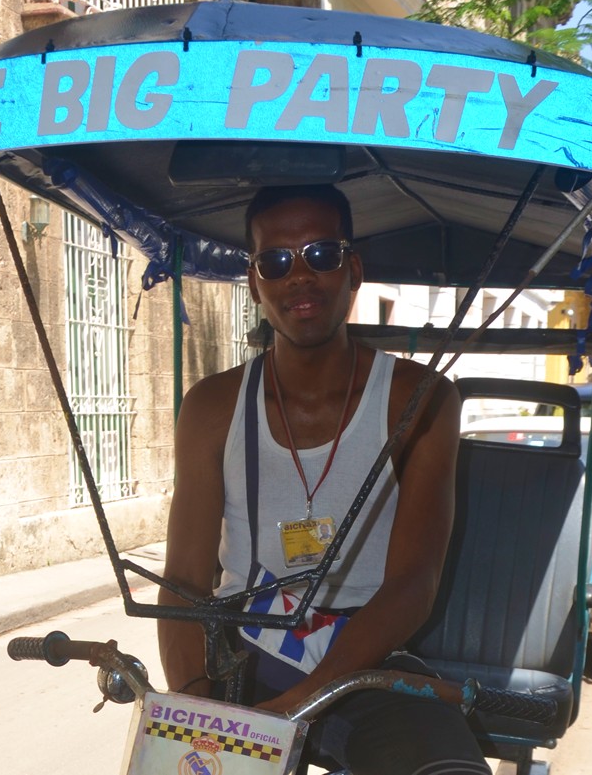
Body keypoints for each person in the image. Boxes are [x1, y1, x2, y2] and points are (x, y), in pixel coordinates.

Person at [157, 184, 490, 774]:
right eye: (276, 261)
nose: (300, 276)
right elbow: (184, 579)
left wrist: (302, 702)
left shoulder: (420, 401)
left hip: (367, 660)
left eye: (322, 255)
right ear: (256, 283)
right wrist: (197, 706)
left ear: (353, 269)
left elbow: (414, 581)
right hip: (246, 656)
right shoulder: (212, 406)